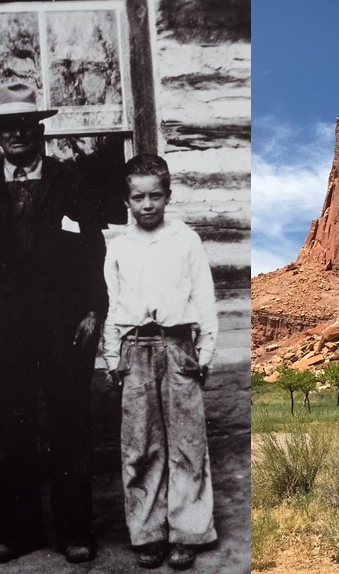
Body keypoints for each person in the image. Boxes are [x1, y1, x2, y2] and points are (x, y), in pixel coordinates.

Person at [0, 83, 107, 564]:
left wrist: (92, 310)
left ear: (38, 130)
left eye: (25, 125)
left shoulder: (70, 181)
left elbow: (93, 251)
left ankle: (74, 532)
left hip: (64, 321)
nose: (17, 133)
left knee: (70, 424)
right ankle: (18, 532)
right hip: (3, 325)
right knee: (13, 428)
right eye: (7, 127)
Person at [102, 154, 217, 570]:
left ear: (168, 196)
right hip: (135, 349)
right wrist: (113, 356)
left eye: (155, 195)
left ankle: (187, 532)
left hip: (178, 346)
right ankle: (147, 533)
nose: (147, 204)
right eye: (138, 197)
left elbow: (203, 299)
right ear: (126, 201)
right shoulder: (119, 247)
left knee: (187, 443)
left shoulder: (185, 240)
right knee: (141, 444)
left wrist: (204, 353)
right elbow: (113, 305)